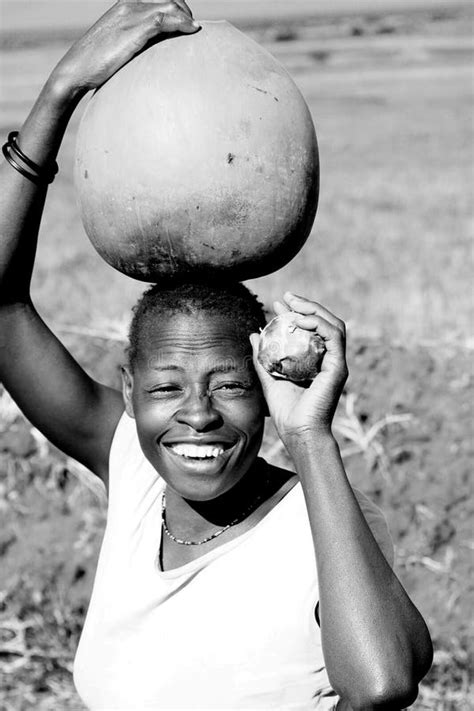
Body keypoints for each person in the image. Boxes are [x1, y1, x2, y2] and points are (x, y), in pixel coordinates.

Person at [0, 2, 433, 709]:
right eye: (166, 387)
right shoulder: (138, 480)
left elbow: (382, 686)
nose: (197, 415)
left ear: (266, 383)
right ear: (129, 390)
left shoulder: (320, 526)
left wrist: (311, 437)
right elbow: (2, 306)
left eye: (229, 383)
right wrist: (63, 90)